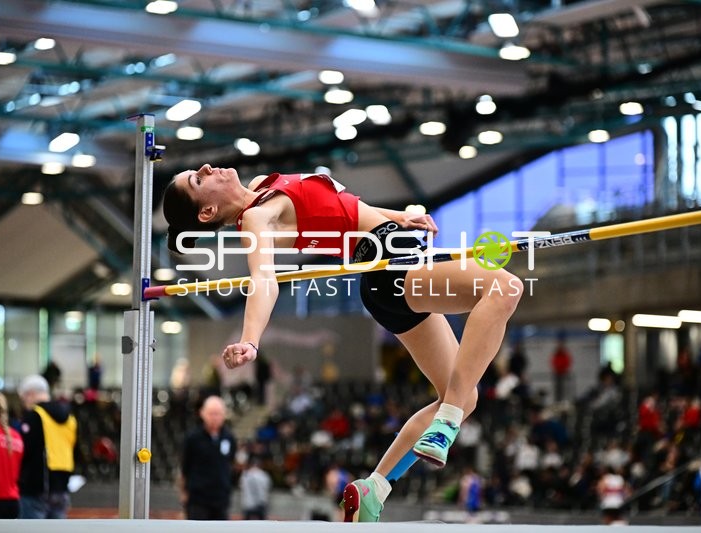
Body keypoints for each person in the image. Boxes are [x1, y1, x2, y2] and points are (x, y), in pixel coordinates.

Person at [163, 165, 523, 522]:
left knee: (463, 395)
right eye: (199, 179)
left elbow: (344, 208)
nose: (207, 168)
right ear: (207, 212)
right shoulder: (258, 217)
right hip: (392, 264)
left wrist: (398, 217)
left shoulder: (263, 186)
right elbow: (264, 279)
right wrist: (251, 340)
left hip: (388, 267)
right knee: (503, 288)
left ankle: (375, 488)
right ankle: (446, 423)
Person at [17, 374, 77, 519]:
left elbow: (25, 450)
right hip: (62, 487)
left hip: (36, 487)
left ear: (30, 394)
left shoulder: (34, 416)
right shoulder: (70, 418)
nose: (24, 402)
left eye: (24, 398)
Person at [180, 395, 237, 520]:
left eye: (218, 414)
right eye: (211, 413)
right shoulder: (193, 438)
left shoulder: (229, 438)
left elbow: (230, 464)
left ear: (224, 415)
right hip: (198, 499)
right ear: (202, 413)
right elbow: (185, 467)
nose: (215, 417)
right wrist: (184, 493)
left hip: (221, 499)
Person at [549, 334, 572, 402]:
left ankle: (564, 401)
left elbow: (568, 362)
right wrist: (557, 368)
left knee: (564, 388)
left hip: (563, 373)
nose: (560, 346)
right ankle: (557, 401)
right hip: (557, 373)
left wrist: (563, 369)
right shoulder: (556, 354)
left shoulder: (565, 354)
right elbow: (553, 362)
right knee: (557, 388)